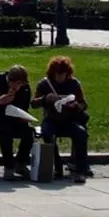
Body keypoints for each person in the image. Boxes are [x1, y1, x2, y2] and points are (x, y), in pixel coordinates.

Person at [31, 55, 89, 183]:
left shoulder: (74, 83)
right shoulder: (45, 84)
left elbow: (83, 104)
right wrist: (45, 99)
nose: (60, 77)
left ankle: (81, 170)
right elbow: (34, 103)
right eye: (57, 74)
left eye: (63, 74)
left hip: (70, 119)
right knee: (47, 133)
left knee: (81, 134)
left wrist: (76, 106)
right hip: (51, 118)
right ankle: (57, 166)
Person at [0, 64, 35, 180]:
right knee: (5, 133)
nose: (17, 87)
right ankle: (9, 166)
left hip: (15, 120)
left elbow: (24, 107)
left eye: (20, 84)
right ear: (9, 80)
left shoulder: (25, 88)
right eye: (15, 83)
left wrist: (24, 116)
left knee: (29, 132)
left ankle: (21, 163)